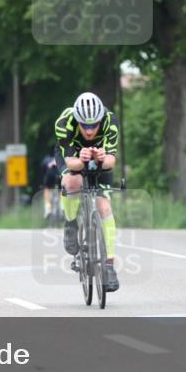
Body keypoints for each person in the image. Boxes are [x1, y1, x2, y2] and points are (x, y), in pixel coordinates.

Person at [55, 92, 120, 292]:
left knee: (104, 206)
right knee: (73, 182)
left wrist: (101, 157)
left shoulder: (110, 121)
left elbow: (111, 162)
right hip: (72, 155)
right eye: (85, 125)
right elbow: (71, 163)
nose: (90, 130)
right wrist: (81, 159)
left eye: (94, 125)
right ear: (77, 120)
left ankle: (109, 267)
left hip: (100, 157)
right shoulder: (64, 121)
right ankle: (71, 222)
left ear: (101, 119)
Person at [39, 154, 60, 219]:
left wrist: (43, 184)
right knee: (62, 189)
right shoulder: (61, 158)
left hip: (49, 174)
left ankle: (48, 208)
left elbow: (43, 172)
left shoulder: (46, 160)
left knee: (47, 188)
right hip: (60, 173)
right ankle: (61, 206)